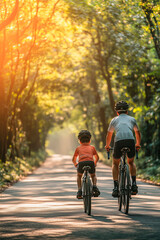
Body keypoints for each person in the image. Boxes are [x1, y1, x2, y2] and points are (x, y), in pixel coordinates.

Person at [105, 100, 141, 197]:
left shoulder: (114, 120)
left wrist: (107, 145)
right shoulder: (132, 119)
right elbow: (137, 133)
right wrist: (137, 144)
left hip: (119, 142)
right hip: (130, 141)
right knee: (131, 162)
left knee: (115, 163)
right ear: (127, 111)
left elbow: (109, 134)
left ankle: (116, 187)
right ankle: (134, 184)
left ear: (117, 112)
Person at [72, 130, 100, 199]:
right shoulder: (92, 147)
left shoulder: (78, 148)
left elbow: (74, 158)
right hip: (90, 162)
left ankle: (79, 190)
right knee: (93, 175)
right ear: (90, 140)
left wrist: (76, 164)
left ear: (80, 141)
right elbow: (97, 157)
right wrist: (95, 163)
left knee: (79, 176)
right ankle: (94, 186)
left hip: (81, 163)